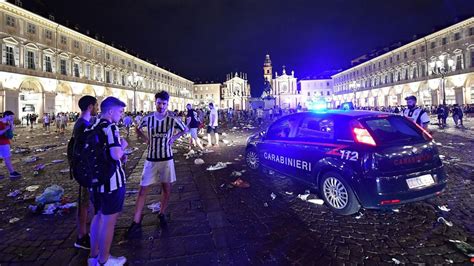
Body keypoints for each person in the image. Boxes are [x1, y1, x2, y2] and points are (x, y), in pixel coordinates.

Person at [127, 91, 188, 236]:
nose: (161, 106)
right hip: (151, 159)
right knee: (143, 190)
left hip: (166, 159)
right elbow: (137, 128)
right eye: (159, 103)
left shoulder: (172, 119)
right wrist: (145, 138)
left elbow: (184, 129)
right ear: (155, 102)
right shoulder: (148, 118)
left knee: (166, 189)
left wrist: (174, 137)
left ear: (168, 104)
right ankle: (136, 222)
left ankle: (161, 213)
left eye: (164, 103)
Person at [88, 97, 128, 266]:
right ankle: (104, 260)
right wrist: (123, 146)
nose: (121, 114)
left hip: (95, 182)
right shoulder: (111, 127)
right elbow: (115, 154)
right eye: (120, 111)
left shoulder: (94, 125)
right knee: (109, 221)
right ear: (111, 111)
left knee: (97, 217)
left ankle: (93, 256)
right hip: (111, 182)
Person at [72, 96, 98, 250]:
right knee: (84, 203)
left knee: (85, 202)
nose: (97, 108)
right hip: (85, 171)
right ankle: (81, 236)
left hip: (84, 169)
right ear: (90, 107)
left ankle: (84, 234)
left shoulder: (82, 123)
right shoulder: (83, 125)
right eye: (96, 105)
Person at [0, 111, 21, 178]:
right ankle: (12, 172)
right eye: (11, 116)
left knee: (7, 157)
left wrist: (11, 123)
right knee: (7, 158)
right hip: (2, 143)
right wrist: (6, 129)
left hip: (5, 142)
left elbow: (12, 130)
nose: (12, 118)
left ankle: (12, 172)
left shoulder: (7, 123)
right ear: (6, 115)